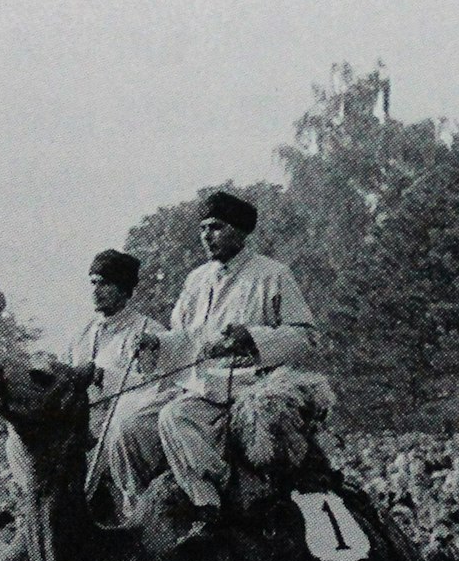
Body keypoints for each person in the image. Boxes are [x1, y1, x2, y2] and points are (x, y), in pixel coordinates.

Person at [127, 191, 318, 539]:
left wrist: (253, 337)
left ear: (240, 231)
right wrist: (156, 343)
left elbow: (305, 337)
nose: (206, 236)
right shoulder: (196, 279)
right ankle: (144, 512)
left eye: (216, 227)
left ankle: (212, 502)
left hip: (247, 384)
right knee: (129, 428)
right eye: (202, 228)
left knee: (175, 417)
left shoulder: (272, 274)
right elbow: (184, 337)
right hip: (197, 383)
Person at [65, 249, 164, 514]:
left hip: (124, 426)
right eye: (93, 283)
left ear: (124, 288)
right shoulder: (80, 335)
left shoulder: (148, 332)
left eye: (105, 284)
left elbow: (156, 386)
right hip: (82, 426)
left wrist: (102, 377)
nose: (96, 291)